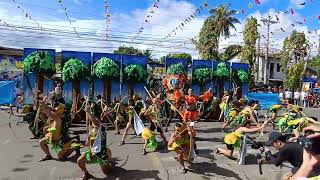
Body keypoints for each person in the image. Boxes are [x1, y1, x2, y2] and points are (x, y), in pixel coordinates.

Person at [77, 101, 112, 180]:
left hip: (100, 153)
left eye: (97, 120)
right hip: (92, 152)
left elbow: (95, 122)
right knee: (79, 160)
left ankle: (109, 163)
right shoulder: (91, 130)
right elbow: (87, 143)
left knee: (106, 171)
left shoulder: (101, 129)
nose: (94, 122)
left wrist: (88, 112)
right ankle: (86, 173)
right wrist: (86, 140)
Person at [39, 96, 81, 162]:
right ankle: (48, 156)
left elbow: (49, 112)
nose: (54, 110)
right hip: (52, 137)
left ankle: (74, 145)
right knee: (41, 142)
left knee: (60, 158)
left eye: (56, 110)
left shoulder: (58, 118)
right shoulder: (55, 116)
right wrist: (44, 104)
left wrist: (43, 103)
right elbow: (49, 111)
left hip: (60, 140)